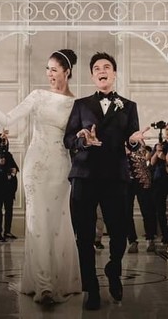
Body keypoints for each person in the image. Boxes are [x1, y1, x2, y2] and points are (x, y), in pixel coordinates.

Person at [0, 49, 81, 305]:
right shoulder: (38, 96)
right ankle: (44, 285)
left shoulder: (77, 104)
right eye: (47, 69)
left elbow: (75, 140)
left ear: (67, 72)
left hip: (60, 166)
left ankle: (60, 279)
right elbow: (8, 118)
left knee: (58, 222)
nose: (49, 74)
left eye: (54, 69)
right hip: (35, 166)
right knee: (37, 221)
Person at [63, 52, 148, 311]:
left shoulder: (129, 106)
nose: (102, 70)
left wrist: (134, 141)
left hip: (115, 177)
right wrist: (82, 140)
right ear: (92, 76)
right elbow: (68, 140)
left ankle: (113, 268)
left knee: (119, 232)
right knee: (84, 235)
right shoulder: (80, 105)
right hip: (84, 176)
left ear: (114, 73)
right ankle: (91, 288)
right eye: (97, 68)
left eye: (107, 67)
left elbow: (133, 141)